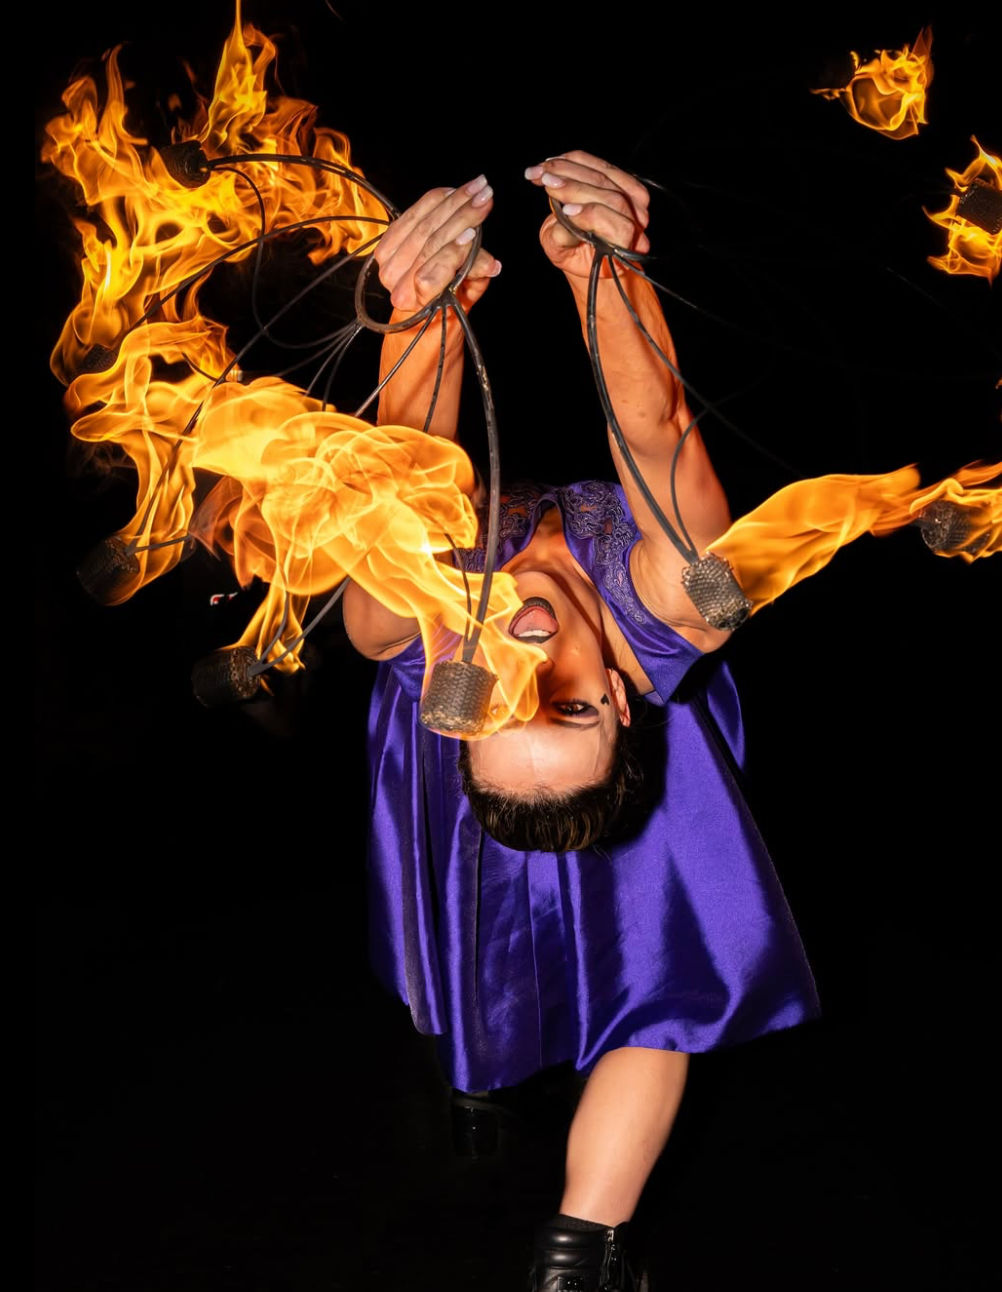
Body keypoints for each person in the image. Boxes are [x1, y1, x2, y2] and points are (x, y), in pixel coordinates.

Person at [342, 152, 819, 1291]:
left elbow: (401, 462)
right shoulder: (675, 611)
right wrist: (609, 273)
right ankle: (498, 1105)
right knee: (661, 951)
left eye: (496, 697)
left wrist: (426, 308)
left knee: (632, 976)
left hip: (484, 774)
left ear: (455, 711)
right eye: (568, 699)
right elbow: (657, 431)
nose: (519, 656)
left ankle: (576, 1255)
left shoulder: (404, 633)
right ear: (623, 699)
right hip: (584, 767)